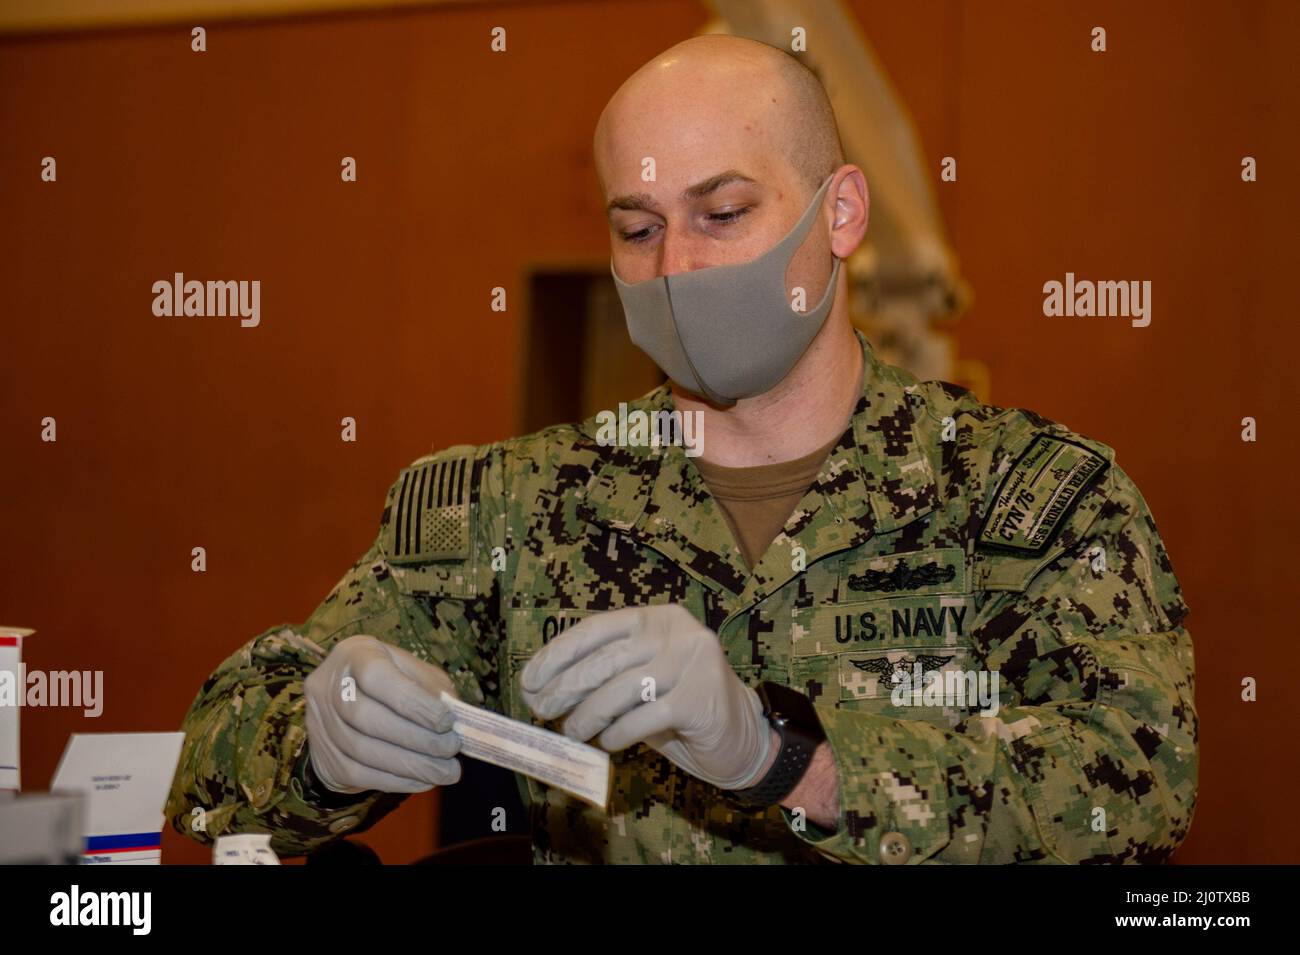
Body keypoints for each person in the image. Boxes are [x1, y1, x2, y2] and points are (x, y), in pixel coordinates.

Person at [165, 34, 1196, 864]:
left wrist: (789, 759)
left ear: (838, 214)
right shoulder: (516, 506)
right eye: (639, 228)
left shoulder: (1028, 501)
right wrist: (321, 746)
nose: (679, 265)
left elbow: (1137, 785)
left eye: (723, 211)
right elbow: (210, 777)